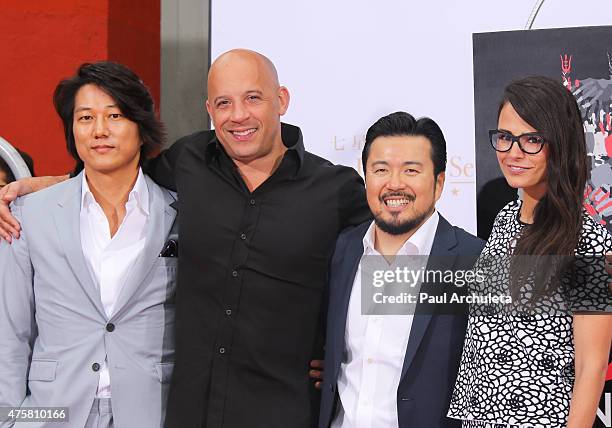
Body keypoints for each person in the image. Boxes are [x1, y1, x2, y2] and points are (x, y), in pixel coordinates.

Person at [0, 49, 371, 428]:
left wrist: (350, 354)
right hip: (187, 411)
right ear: (209, 109)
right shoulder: (188, 162)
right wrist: (35, 187)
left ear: (282, 100)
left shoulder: (337, 190)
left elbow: (392, 260)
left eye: (253, 98)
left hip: (283, 408)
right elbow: (115, 172)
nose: (238, 114)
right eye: (224, 102)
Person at [0, 62, 178, 428]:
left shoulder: (180, 212)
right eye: (85, 118)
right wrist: (12, 420)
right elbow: (11, 334)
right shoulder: (30, 213)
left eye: (114, 115)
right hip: (53, 413)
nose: (99, 130)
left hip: (152, 411)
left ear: (141, 128)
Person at [447, 76, 612, 427]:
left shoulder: (589, 242)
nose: (513, 153)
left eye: (532, 140)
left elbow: (591, 367)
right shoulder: (505, 219)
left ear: (559, 144)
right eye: (505, 137)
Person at [317, 112, 484, 428]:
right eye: (381, 170)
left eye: (411, 170)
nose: (394, 184)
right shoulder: (345, 249)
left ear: (439, 182)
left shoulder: (471, 260)